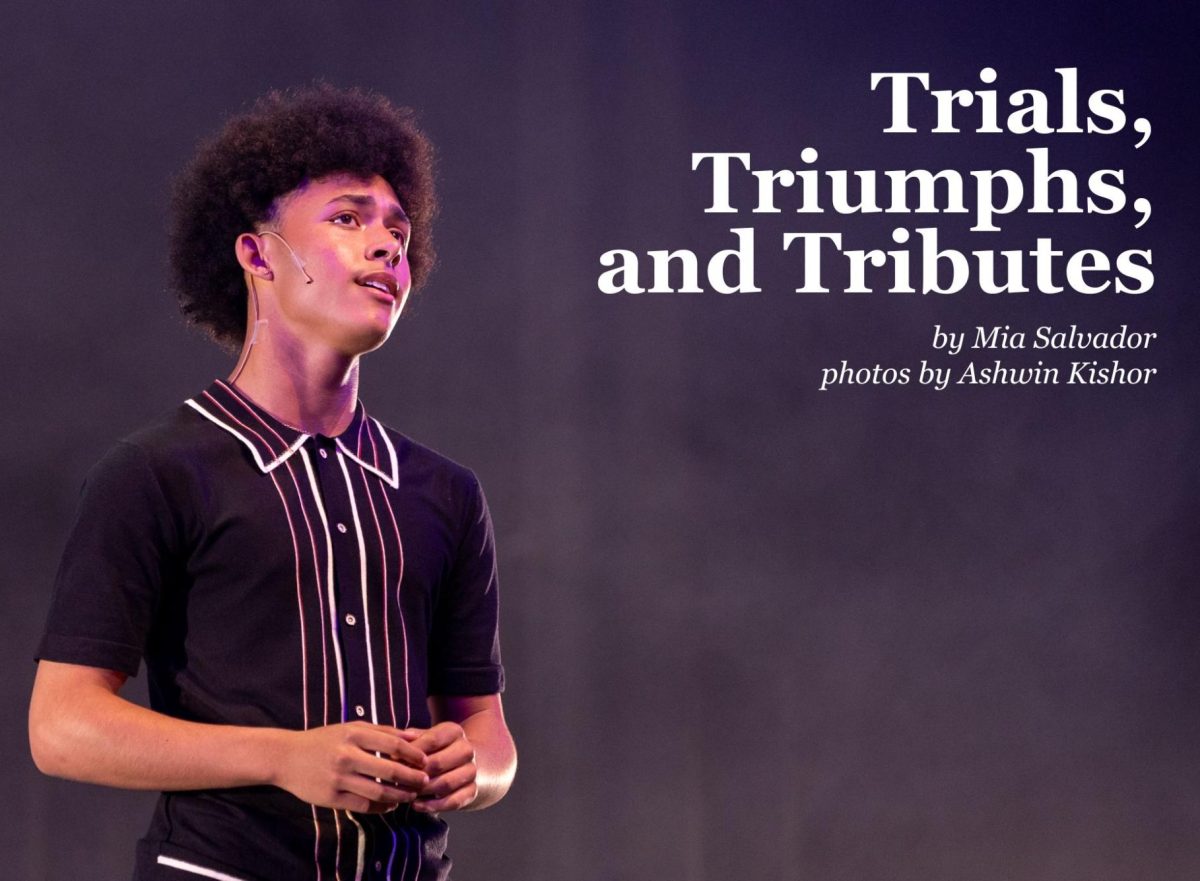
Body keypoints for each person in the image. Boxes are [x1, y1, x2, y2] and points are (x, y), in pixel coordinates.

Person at [28, 84, 515, 881]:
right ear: (256, 255)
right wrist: (284, 757)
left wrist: (471, 770)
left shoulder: (445, 492)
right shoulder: (156, 472)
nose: (387, 246)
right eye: (349, 219)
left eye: (398, 229)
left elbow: (489, 738)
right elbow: (62, 727)